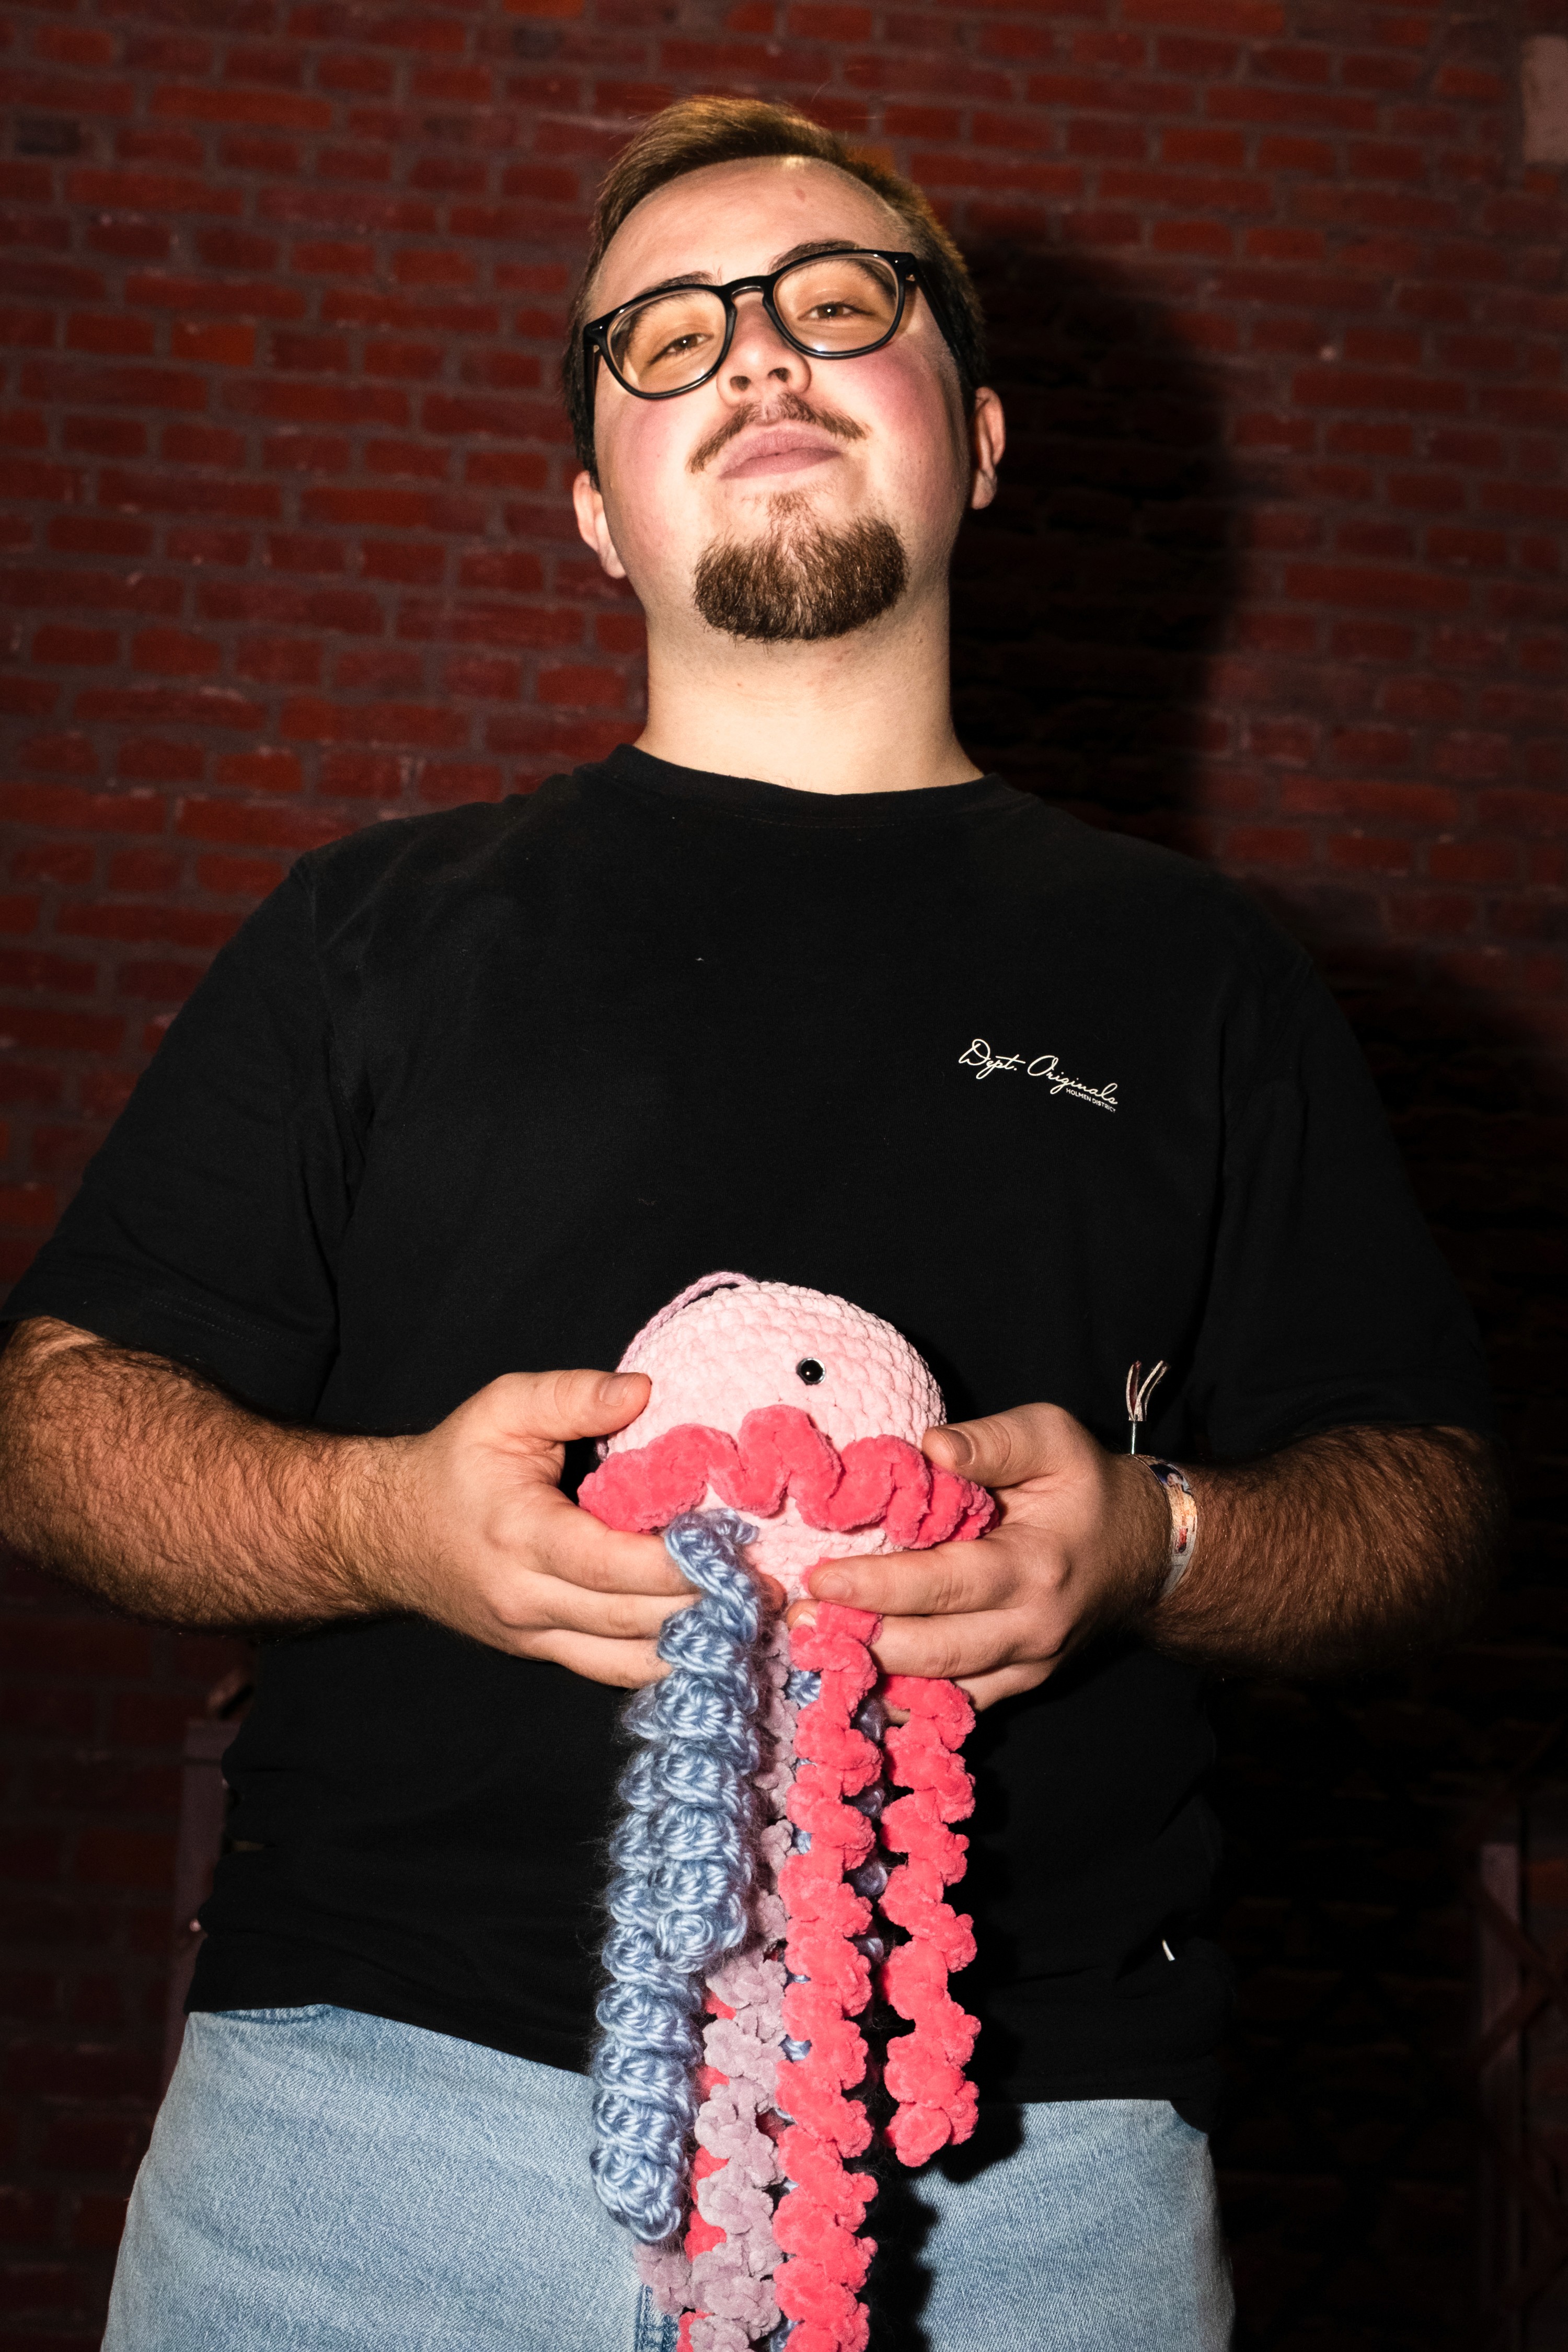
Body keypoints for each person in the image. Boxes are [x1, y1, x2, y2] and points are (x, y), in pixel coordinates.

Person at [0, 95, 1501, 2352]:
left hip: (1024, 2173)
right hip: (357, 2141)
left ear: (977, 438)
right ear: (592, 507)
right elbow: (58, 1419)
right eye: (671, 334)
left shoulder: (1207, 978)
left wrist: (1159, 1544)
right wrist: (384, 1519)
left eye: (834, 301)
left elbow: (1422, 1497)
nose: (762, 355)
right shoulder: (369, 932)